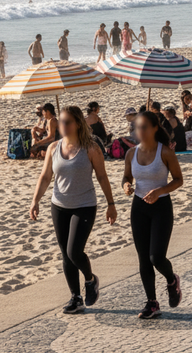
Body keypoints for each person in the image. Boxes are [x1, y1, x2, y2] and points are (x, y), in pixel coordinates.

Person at [29, 106, 116, 314]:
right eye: (61, 122)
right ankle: (75, 297)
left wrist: (111, 204)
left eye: (67, 122)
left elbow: (102, 177)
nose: (63, 125)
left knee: (74, 251)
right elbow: (45, 177)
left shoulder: (91, 148)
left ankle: (90, 279)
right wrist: (35, 201)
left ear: (78, 124)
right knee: (65, 255)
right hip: (59, 206)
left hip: (85, 206)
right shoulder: (53, 148)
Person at [122, 111, 184, 319]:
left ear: (155, 128)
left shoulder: (165, 152)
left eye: (144, 127)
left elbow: (178, 180)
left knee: (156, 256)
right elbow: (126, 177)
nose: (140, 131)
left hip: (161, 207)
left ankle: (171, 279)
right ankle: (152, 302)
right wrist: (127, 186)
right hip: (138, 207)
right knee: (143, 259)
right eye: (137, 127)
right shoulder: (131, 154)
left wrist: (159, 191)